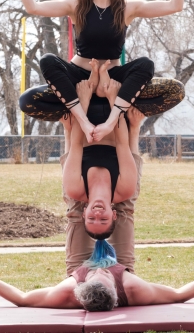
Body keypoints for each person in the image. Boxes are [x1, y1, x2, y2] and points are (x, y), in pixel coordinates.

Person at [0, 0, 194, 143]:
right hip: (79, 76)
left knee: (151, 69)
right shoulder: (76, 5)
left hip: (112, 79)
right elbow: (33, 7)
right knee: (38, 80)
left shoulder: (127, 8)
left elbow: (174, 5)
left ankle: (112, 121)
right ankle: (82, 120)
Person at [0, 251, 194, 311]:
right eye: (100, 273)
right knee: (109, 212)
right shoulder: (131, 288)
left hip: (79, 266)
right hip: (122, 271)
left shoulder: (68, 293)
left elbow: (22, 298)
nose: (99, 268)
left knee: (91, 212)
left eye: (100, 272)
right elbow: (178, 294)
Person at [59, 79, 146, 275]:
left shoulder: (76, 189)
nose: (97, 214)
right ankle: (126, 277)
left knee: (73, 200)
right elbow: (124, 146)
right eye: (104, 218)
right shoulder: (123, 189)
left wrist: (82, 102)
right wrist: (116, 101)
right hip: (115, 141)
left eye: (91, 217)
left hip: (84, 141)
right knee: (127, 201)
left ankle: (75, 278)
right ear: (112, 214)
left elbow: (75, 145)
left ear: (85, 213)